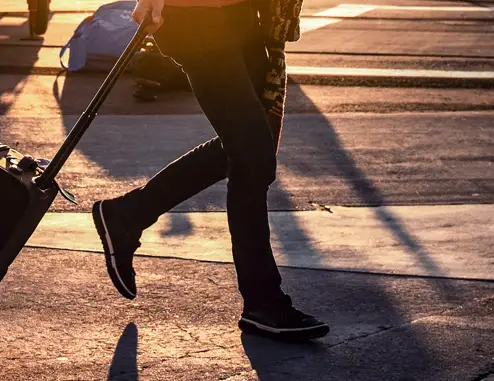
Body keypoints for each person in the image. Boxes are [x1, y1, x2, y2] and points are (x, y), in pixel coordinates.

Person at [91, 0, 330, 340]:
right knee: (252, 157)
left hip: (244, 15)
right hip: (196, 19)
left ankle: (128, 214)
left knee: (247, 148)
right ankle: (262, 301)